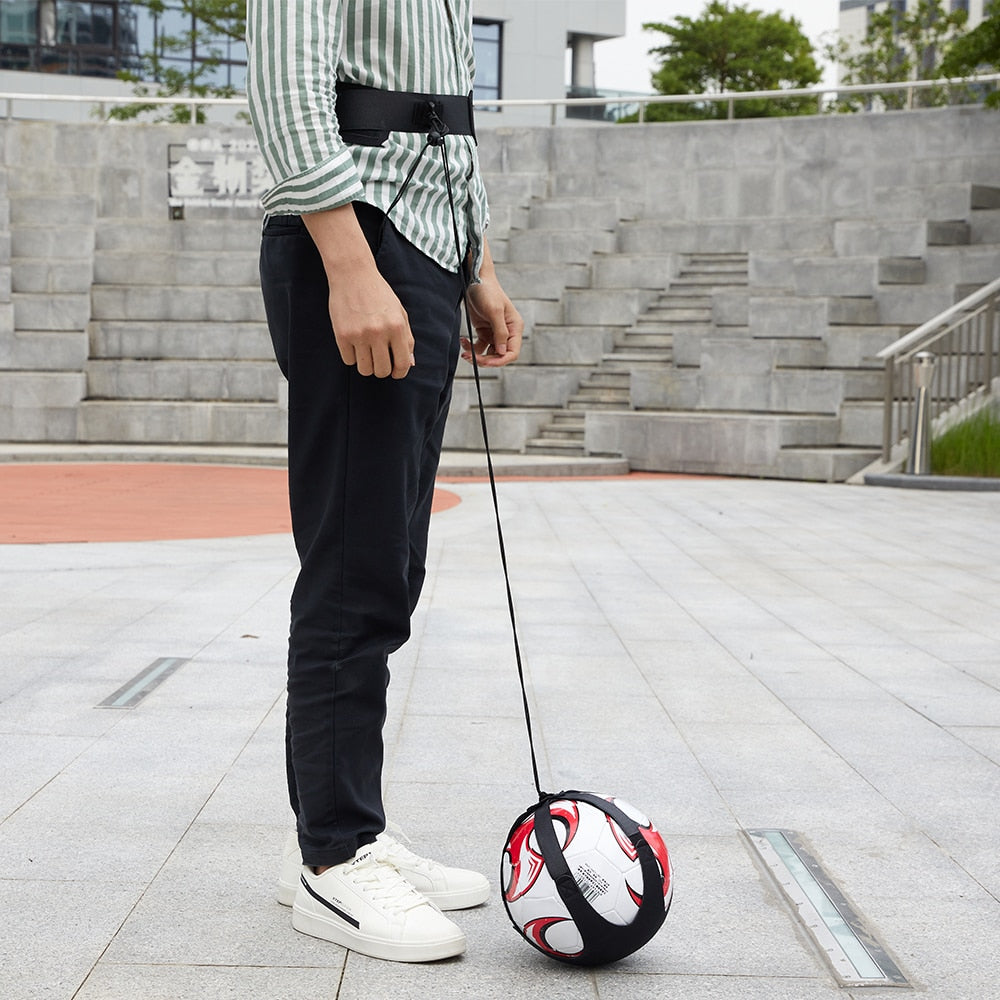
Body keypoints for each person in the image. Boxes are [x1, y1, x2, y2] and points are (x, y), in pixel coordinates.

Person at [245, 0, 523, 965]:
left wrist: (474, 263)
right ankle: (334, 856)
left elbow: (437, 112)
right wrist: (350, 266)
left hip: (426, 247)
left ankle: (338, 827)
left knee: (392, 560)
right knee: (355, 564)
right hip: (359, 241)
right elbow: (286, 89)